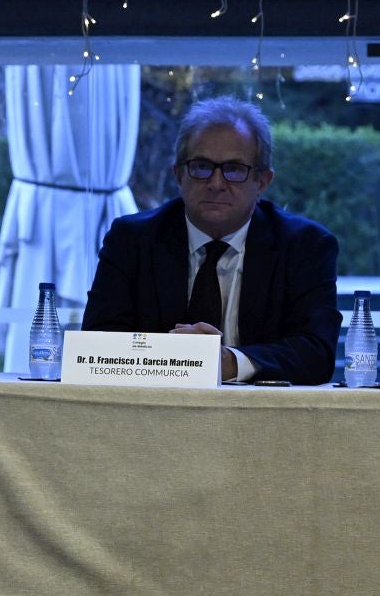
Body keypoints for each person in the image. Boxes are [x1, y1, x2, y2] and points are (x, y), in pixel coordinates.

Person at [82, 97, 340, 385]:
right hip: (152, 413)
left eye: (234, 169)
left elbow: (316, 354)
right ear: (178, 174)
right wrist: (173, 358)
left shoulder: (305, 246)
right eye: (202, 166)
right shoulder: (132, 240)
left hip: (264, 420)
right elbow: (98, 342)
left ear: (263, 181)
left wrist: (229, 362)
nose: (216, 183)